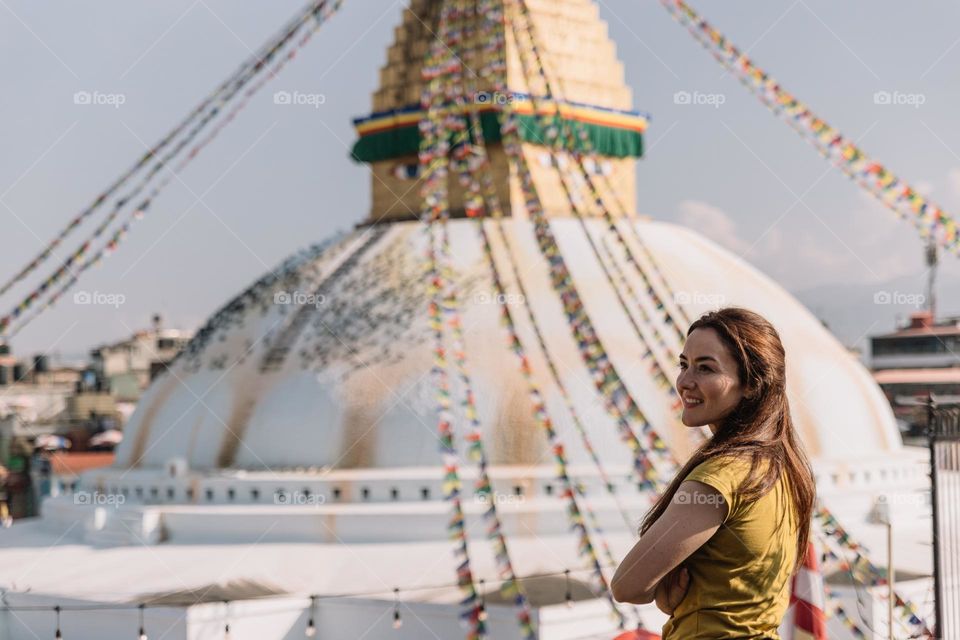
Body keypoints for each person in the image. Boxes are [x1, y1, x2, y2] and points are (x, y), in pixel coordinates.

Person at [611, 307, 816, 639]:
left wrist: (663, 590)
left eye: (705, 368)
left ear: (752, 384)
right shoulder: (781, 467)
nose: (685, 382)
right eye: (684, 365)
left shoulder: (723, 476)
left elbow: (628, 585)